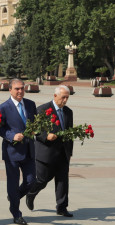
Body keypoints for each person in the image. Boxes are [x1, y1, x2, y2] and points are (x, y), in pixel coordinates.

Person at [26, 85, 74, 217]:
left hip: (63, 153)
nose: (65, 100)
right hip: (46, 152)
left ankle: (62, 207)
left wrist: (69, 153)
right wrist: (45, 136)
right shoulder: (42, 110)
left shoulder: (68, 112)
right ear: (55, 96)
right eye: (63, 97)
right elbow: (34, 129)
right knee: (42, 180)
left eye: (67, 98)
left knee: (62, 181)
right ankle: (31, 194)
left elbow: (70, 134)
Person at [0, 78, 37, 225]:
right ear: (10, 90)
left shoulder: (31, 104)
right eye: (17, 89)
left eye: (22, 88)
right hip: (12, 151)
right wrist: (11, 136)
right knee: (12, 183)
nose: (20, 91)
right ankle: (16, 214)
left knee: (31, 180)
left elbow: (35, 122)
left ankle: (14, 196)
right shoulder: (3, 107)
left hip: (29, 150)